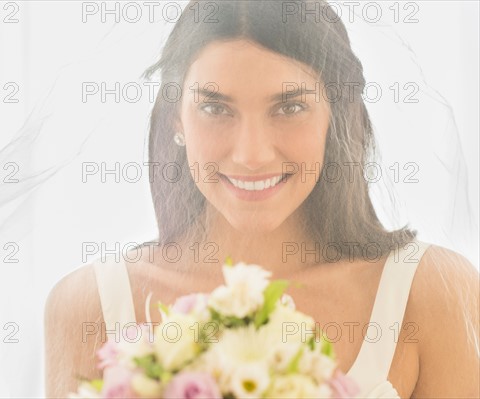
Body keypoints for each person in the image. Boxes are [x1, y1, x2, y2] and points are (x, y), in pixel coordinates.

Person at [44, 1, 479, 398]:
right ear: (177, 117)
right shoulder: (90, 306)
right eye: (216, 108)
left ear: (337, 113)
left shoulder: (430, 292)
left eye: (289, 108)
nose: (251, 155)